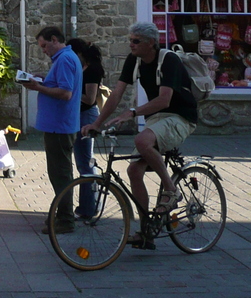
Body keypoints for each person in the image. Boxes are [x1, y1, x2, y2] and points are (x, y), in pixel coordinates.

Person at [81, 21, 198, 250]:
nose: (131, 45)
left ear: (151, 43)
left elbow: (165, 99)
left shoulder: (168, 60)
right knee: (134, 169)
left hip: (180, 117)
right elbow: (116, 94)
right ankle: (147, 232)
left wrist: (132, 112)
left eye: (136, 41)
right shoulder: (134, 60)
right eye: (130, 40)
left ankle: (171, 190)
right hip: (157, 118)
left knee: (141, 140)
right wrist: (97, 123)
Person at [19, 27, 83, 233]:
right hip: (59, 124)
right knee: (59, 173)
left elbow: (65, 93)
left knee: (61, 174)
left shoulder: (64, 59)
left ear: (55, 40)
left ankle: (65, 219)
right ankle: (63, 215)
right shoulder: (66, 58)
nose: (44, 51)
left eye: (45, 46)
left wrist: (39, 87)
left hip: (59, 125)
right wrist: (43, 81)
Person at [69, 38, 105, 219]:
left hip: (86, 117)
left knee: (85, 164)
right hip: (80, 116)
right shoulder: (86, 67)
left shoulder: (92, 70)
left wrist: (69, 91)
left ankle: (88, 208)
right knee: (84, 162)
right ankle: (88, 206)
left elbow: (89, 99)